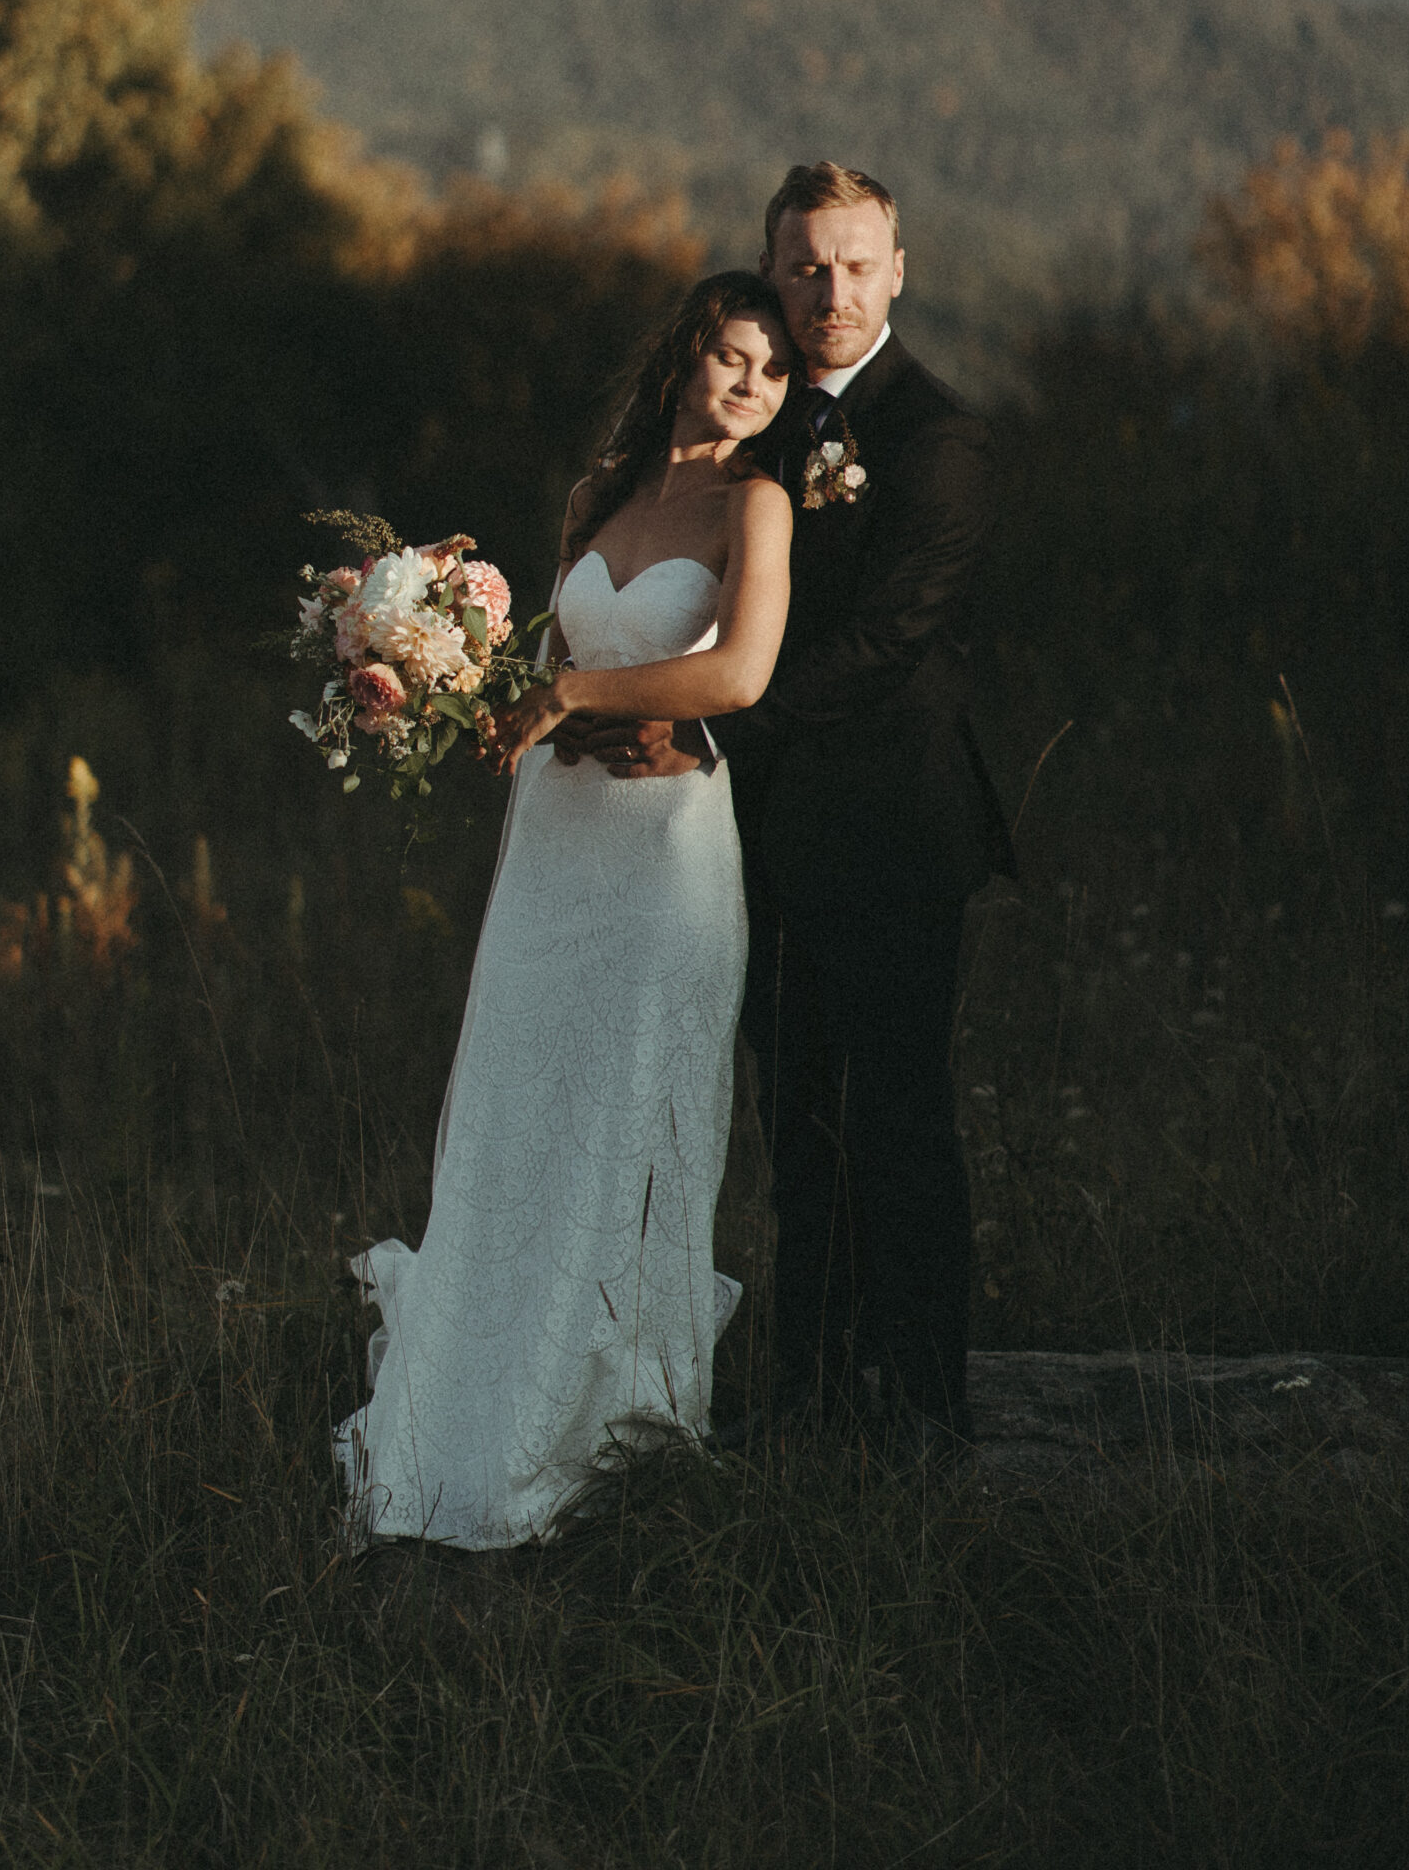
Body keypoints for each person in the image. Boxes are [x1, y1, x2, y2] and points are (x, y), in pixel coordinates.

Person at [333, 272, 795, 1549]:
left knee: (623, 1113)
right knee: (522, 1099)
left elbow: (739, 670)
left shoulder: (759, 503)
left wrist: (589, 699)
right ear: (686, 357)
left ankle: (604, 1429)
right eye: (731, 357)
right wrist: (440, 681)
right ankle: (472, 1408)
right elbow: (548, 668)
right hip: (557, 837)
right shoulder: (602, 491)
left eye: (773, 369)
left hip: (662, 857)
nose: (752, 384)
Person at [561, 164, 1014, 1447]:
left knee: (902, 1127)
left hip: (891, 836)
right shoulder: (748, 424)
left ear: (898, 269)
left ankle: (925, 1407)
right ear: (772, 270)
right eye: (806, 266)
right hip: (752, 837)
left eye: (856, 263)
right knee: (797, 1127)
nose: (831, 287)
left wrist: (690, 719)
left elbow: (881, 645)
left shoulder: (940, 439)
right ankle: (813, 1390)